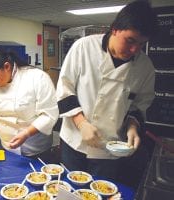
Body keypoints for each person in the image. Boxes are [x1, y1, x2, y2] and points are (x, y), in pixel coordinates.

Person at [56, 0, 157, 181]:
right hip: (74, 141)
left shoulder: (145, 67)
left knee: (102, 190)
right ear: (115, 29)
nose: (134, 50)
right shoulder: (83, 48)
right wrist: (82, 124)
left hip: (109, 148)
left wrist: (133, 127)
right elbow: (65, 90)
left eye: (141, 44)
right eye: (130, 41)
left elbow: (139, 104)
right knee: (68, 189)